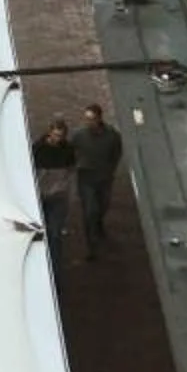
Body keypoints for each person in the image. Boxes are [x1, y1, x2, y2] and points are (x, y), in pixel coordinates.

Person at [75, 103, 124, 260]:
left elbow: (117, 153)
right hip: (86, 179)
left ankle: (98, 224)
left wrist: (110, 170)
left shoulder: (112, 136)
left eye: (92, 119)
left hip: (104, 179)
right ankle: (92, 246)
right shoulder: (79, 135)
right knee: (89, 211)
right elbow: (72, 151)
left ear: (99, 118)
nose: (88, 122)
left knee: (103, 206)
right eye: (86, 119)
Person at [32, 115, 79, 261]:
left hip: (58, 197)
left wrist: (70, 193)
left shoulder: (68, 149)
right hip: (40, 195)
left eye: (61, 136)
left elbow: (70, 171)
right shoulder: (37, 149)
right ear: (50, 132)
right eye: (56, 135)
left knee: (55, 232)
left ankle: (54, 260)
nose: (59, 139)